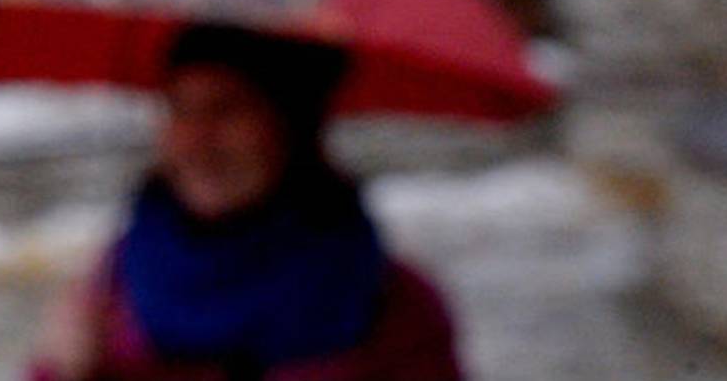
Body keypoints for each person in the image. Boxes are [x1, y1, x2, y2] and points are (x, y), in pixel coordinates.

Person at [28, 23, 463, 381]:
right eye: (179, 110)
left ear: (290, 124)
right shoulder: (113, 287)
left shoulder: (396, 308)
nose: (196, 141)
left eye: (226, 110)